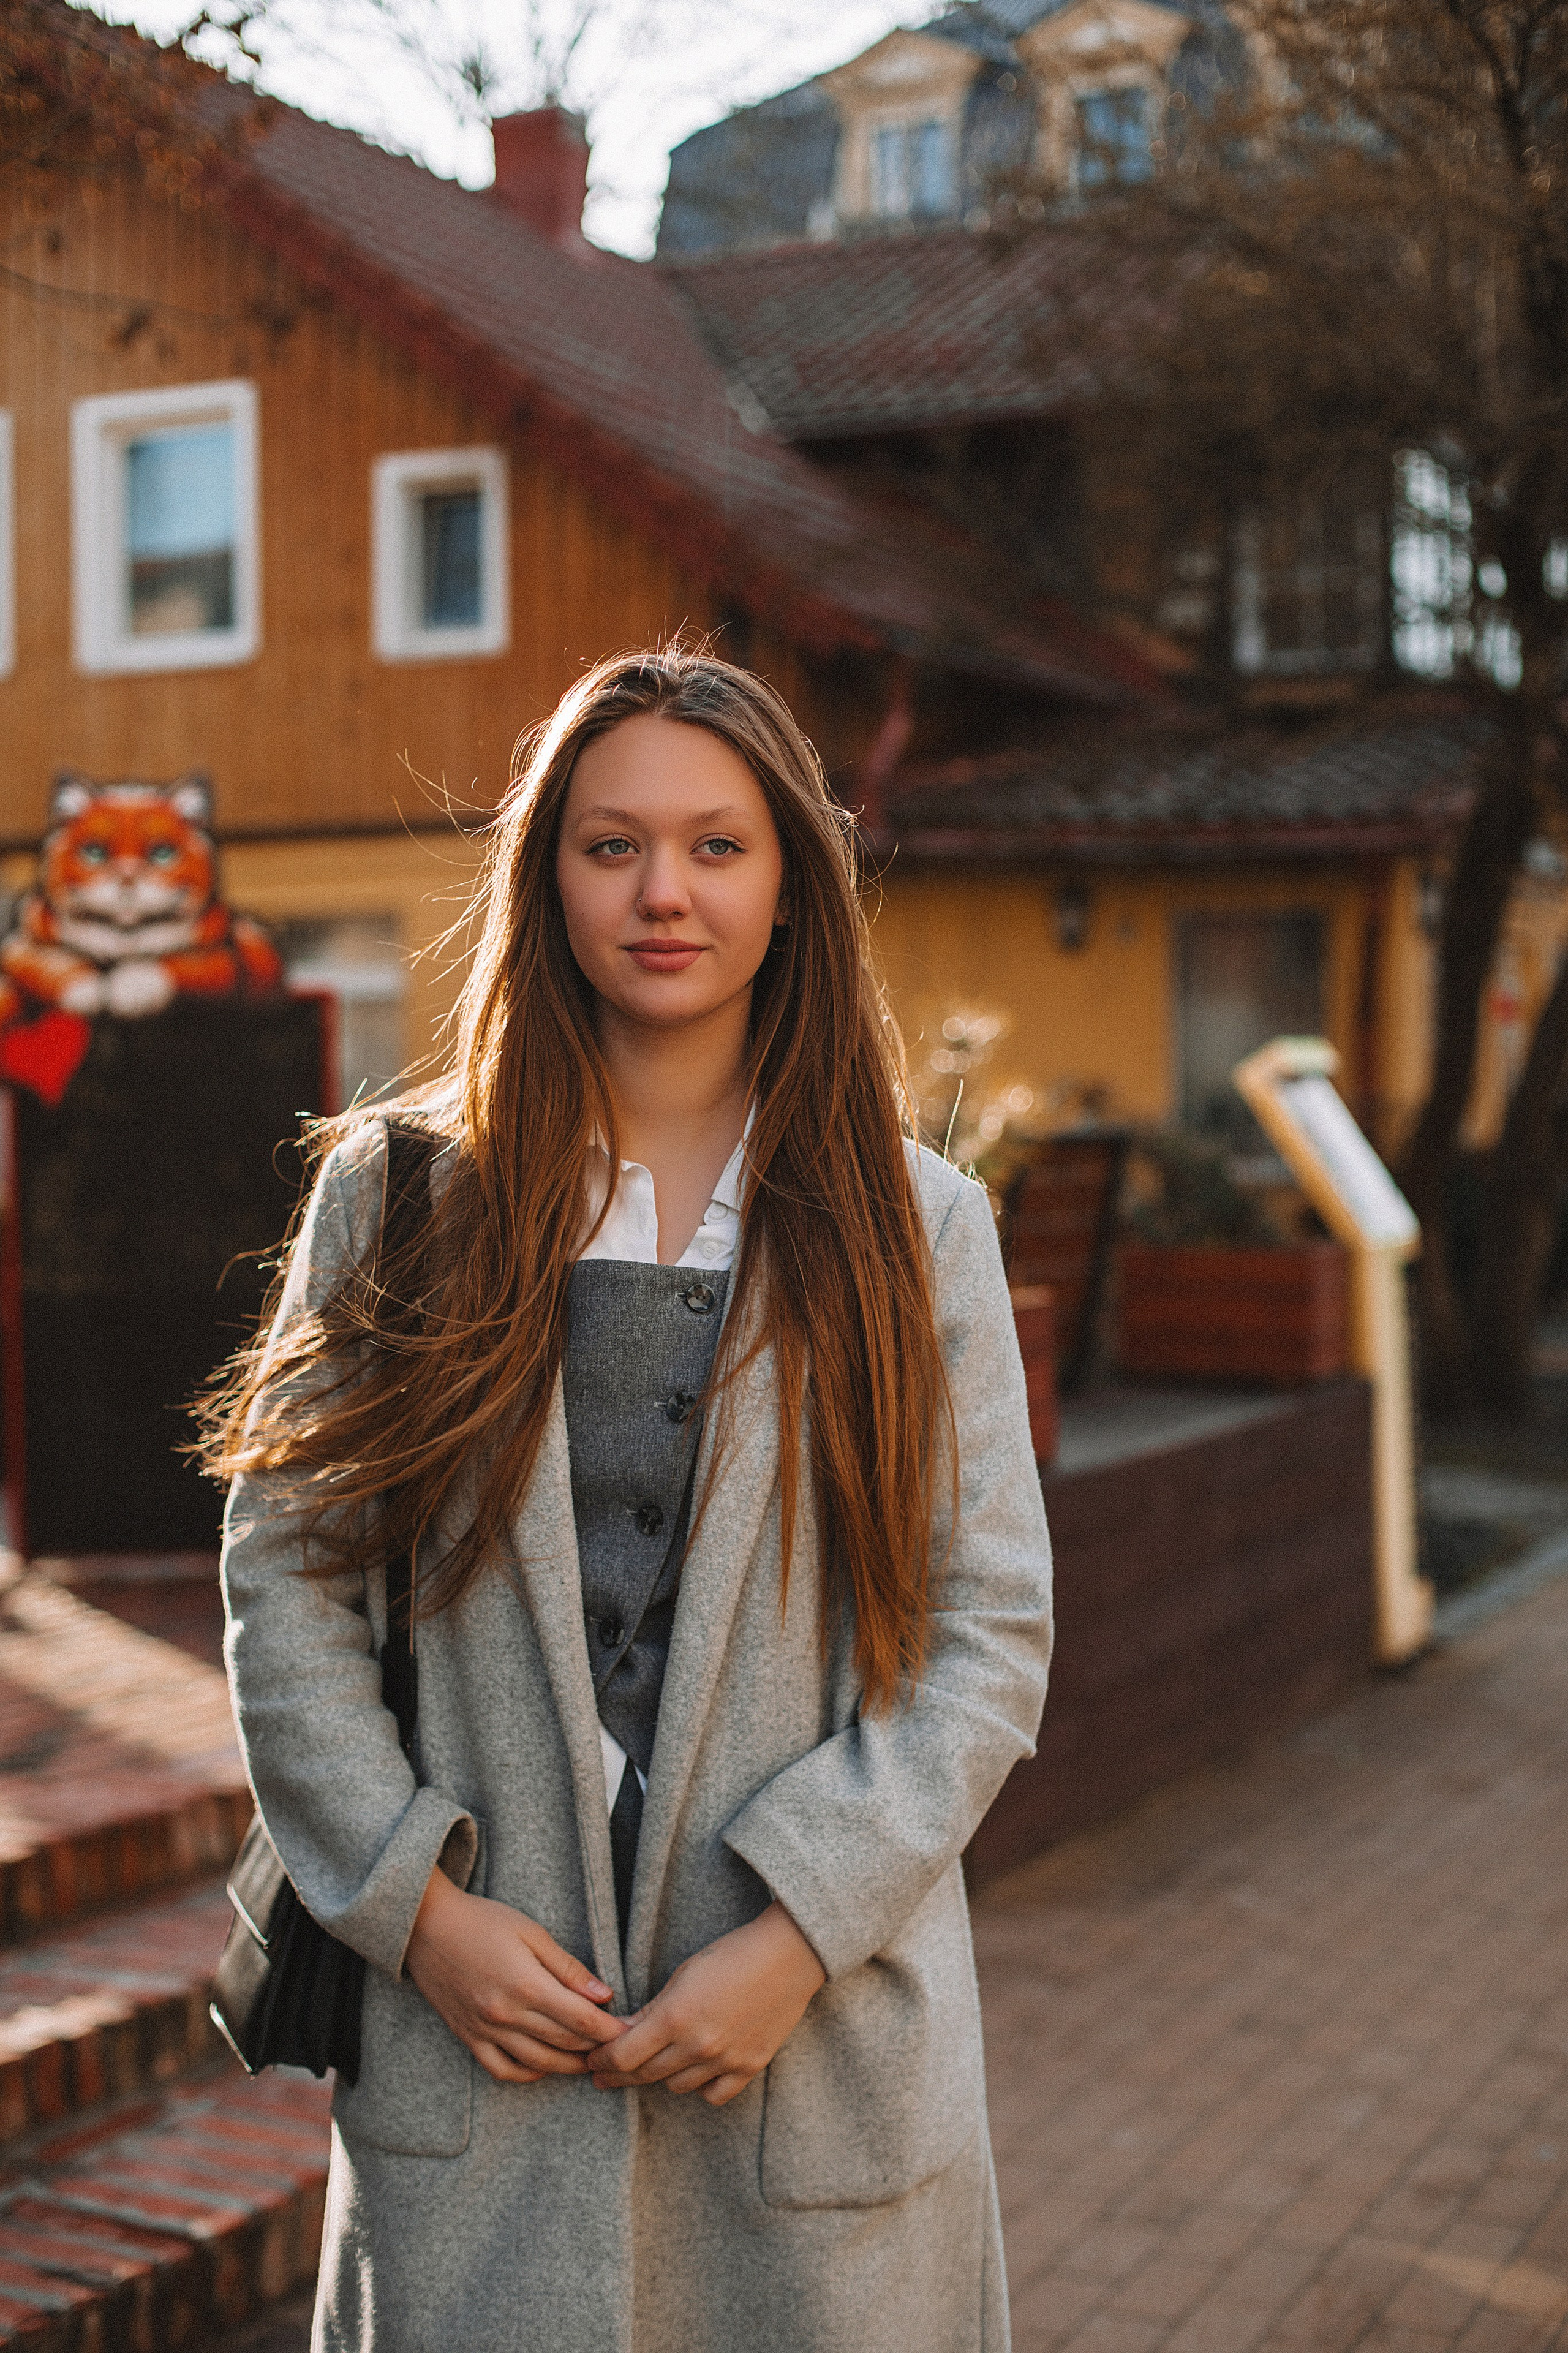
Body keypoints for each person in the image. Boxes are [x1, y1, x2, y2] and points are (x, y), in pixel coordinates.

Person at [209, 646, 1053, 2353]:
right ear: (548, 877)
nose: (665, 891)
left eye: (717, 845)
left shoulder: (918, 1226)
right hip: (480, 2060)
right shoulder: (397, 1198)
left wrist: (798, 1933)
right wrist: (416, 1913)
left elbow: (988, 1631)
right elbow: (287, 1586)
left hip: (813, 2062)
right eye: (613, 845)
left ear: (793, 886)